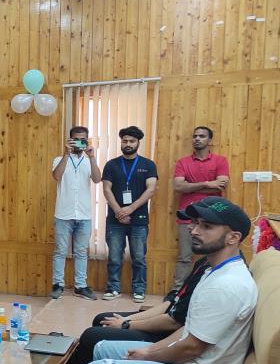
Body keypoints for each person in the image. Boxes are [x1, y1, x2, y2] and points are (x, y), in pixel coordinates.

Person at [49, 197, 256, 364]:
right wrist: (150, 350)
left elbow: (191, 347)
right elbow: (185, 330)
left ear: (233, 237)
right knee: (100, 348)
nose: (194, 230)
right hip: (189, 363)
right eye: (195, 223)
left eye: (206, 226)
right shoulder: (212, 270)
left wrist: (149, 354)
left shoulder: (227, 285)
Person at [60, 256, 208, 364]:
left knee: (91, 337)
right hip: (168, 322)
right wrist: (126, 320)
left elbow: (174, 322)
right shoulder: (203, 264)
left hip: (166, 334)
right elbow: (170, 304)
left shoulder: (214, 281)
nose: (193, 235)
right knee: (101, 320)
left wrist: (127, 325)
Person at [167, 126, 229, 302]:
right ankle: (177, 292)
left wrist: (192, 186)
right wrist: (208, 184)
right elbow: (178, 186)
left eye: (202, 136)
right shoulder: (183, 162)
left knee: (209, 256)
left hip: (212, 218)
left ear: (210, 140)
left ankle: (203, 291)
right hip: (187, 217)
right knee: (184, 257)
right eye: (195, 136)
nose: (197, 139)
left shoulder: (220, 161)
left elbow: (221, 186)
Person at [101, 126, 158, 303]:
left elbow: (151, 189)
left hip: (139, 220)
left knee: (139, 258)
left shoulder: (148, 165)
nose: (128, 144)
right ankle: (113, 288)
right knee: (114, 257)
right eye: (125, 141)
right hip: (115, 220)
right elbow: (106, 189)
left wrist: (130, 209)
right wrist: (119, 211)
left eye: (132, 141)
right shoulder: (111, 164)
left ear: (138, 143)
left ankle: (139, 290)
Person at [50, 126, 102, 300]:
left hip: (84, 215)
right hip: (63, 214)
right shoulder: (59, 159)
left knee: (81, 252)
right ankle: (58, 285)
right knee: (60, 251)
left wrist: (92, 157)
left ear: (87, 140)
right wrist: (66, 154)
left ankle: (80, 286)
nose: (79, 143)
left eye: (83, 139)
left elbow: (97, 179)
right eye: (76, 139)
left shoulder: (88, 161)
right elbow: (57, 176)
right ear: (70, 140)